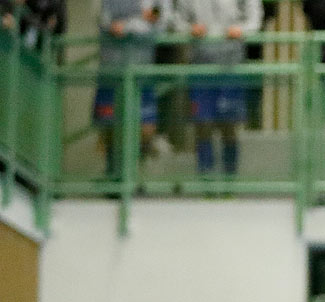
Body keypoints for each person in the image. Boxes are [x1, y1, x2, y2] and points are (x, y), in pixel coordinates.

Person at [176, 0, 261, 179]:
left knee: (229, 124)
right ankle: (206, 179)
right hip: (201, 63)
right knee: (203, 123)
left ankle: (229, 179)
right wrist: (189, 29)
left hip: (231, 64)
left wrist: (241, 29)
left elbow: (255, 19)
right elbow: (176, 19)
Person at [95, 0, 163, 180]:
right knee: (110, 127)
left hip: (142, 72)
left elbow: (157, 22)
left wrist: (128, 24)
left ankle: (136, 175)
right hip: (112, 72)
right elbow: (105, 22)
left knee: (145, 129)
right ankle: (113, 175)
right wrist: (138, 20)